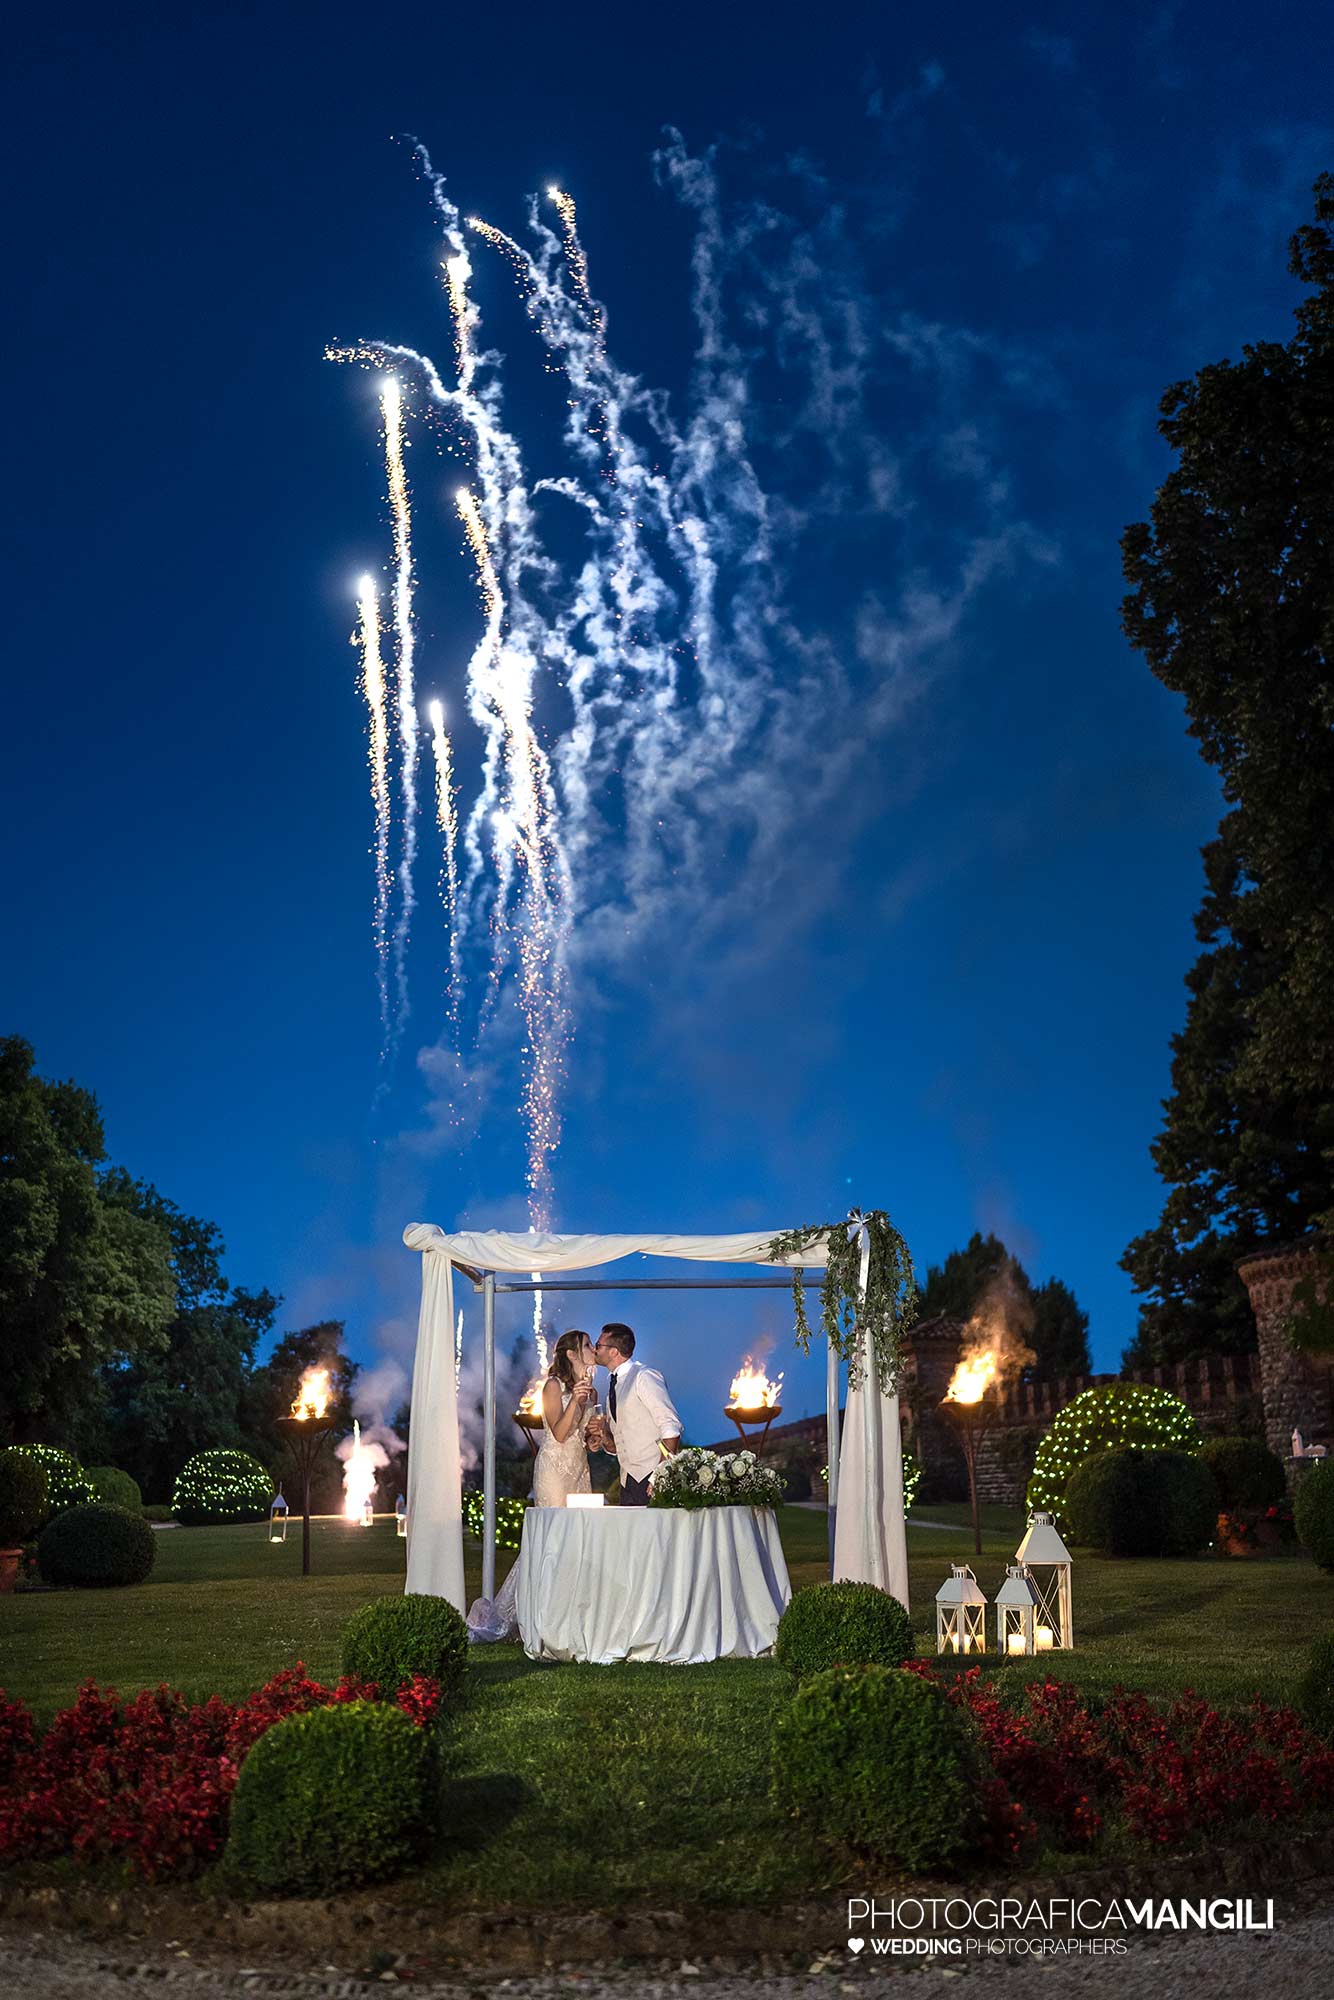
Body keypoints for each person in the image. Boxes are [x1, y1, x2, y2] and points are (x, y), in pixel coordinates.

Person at [467, 1328, 598, 1641]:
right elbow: (560, 1432)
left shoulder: (591, 1391)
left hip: (579, 1469)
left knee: (579, 1538)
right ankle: (537, 1613)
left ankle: (571, 1612)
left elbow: (580, 1437)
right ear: (571, 1354)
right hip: (554, 1470)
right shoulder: (553, 1386)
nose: (594, 1348)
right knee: (552, 1539)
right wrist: (576, 1400)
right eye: (587, 1345)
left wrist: (594, 1439)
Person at [591, 1322, 681, 1505]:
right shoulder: (613, 1385)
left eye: (598, 1345)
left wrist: (660, 1475)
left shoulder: (644, 1376)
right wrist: (605, 1437)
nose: (594, 1349)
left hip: (651, 1478)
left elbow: (671, 1426)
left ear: (614, 1351)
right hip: (627, 1482)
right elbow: (619, 1445)